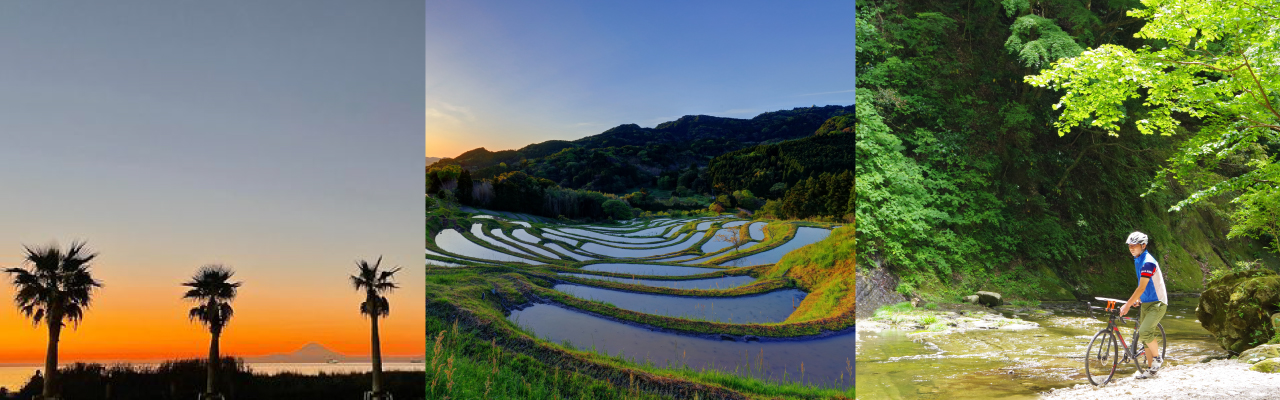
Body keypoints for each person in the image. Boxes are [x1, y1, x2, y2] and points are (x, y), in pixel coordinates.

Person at [1118, 231, 1167, 378]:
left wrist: (1128, 304)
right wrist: (1139, 299)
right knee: (1145, 337)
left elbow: (1142, 287)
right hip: (1146, 302)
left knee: (1144, 332)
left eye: (1135, 246)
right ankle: (1151, 369)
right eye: (1130, 246)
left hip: (1158, 302)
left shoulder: (1148, 262)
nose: (1131, 248)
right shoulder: (1138, 259)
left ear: (1143, 245)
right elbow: (1144, 285)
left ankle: (1158, 358)